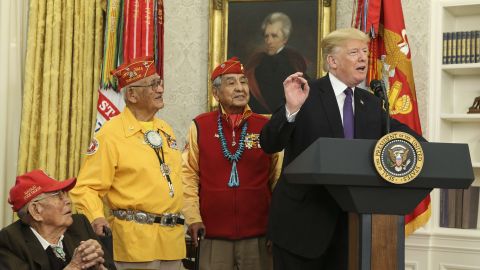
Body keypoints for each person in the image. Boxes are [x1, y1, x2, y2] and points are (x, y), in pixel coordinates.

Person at [260, 28, 425, 270]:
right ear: (332, 61)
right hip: (301, 228)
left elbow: (406, 137)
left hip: (351, 229)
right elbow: (269, 142)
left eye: (365, 52)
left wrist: (432, 153)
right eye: (354, 52)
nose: (363, 58)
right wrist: (291, 110)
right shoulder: (305, 94)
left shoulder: (370, 102)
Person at [69, 56, 185, 270]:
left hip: (172, 244)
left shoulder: (165, 129)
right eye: (153, 84)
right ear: (131, 94)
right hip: (135, 245)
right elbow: (86, 187)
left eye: (160, 83)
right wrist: (95, 216)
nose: (160, 89)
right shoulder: (111, 134)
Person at [182, 57, 282, 270]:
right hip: (212, 235)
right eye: (231, 83)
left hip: (259, 236)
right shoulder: (200, 125)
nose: (240, 88)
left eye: (243, 82)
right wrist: (193, 218)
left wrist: (276, 227)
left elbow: (278, 180)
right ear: (216, 93)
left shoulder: (266, 126)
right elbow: (188, 175)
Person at [0, 169, 115, 270]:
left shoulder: (80, 224)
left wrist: (100, 268)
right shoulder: (10, 242)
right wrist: (74, 267)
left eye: (65, 194)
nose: (68, 201)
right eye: (58, 195)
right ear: (36, 210)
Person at [246, 12, 308, 114]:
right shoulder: (257, 60)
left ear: (285, 39)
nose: (269, 41)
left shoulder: (294, 61)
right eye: (266, 36)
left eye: (274, 36)